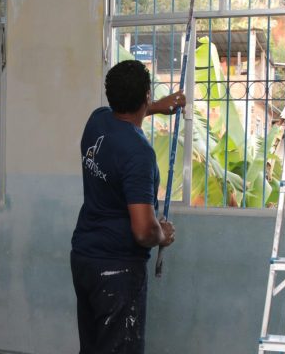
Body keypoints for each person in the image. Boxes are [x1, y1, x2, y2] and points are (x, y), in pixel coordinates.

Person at [71, 59, 185, 354]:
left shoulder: (97, 121)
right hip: (117, 270)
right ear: (146, 95)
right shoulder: (138, 153)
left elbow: (121, 117)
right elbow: (143, 231)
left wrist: (156, 107)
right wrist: (163, 234)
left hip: (84, 259)